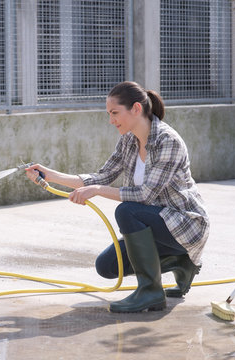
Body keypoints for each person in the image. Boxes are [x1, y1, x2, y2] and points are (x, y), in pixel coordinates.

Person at [25, 81, 209, 313]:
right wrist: (50, 175)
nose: (111, 120)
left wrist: (99, 191)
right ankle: (181, 262)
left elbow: (144, 195)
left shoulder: (167, 141)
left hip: (185, 225)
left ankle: (151, 292)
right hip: (156, 225)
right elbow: (102, 177)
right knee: (107, 266)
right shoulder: (128, 140)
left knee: (126, 210)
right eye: (109, 114)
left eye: (115, 113)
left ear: (136, 109)